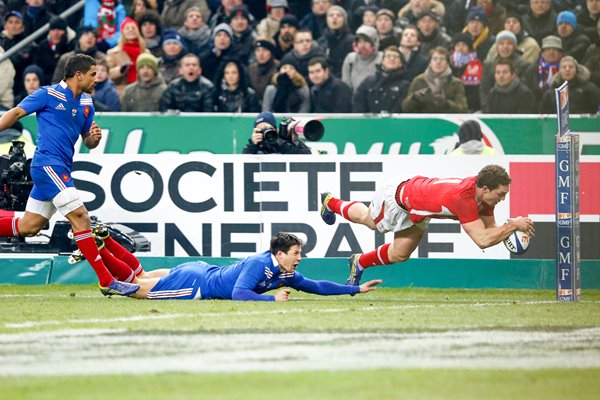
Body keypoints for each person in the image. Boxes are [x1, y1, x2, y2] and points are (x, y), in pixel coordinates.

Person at [0, 54, 139, 296]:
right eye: (93, 75)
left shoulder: (87, 103)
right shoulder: (48, 94)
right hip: (47, 166)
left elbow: (87, 138)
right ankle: (107, 280)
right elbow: (15, 113)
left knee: (29, 226)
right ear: (79, 75)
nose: (97, 79)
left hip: (61, 168)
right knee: (81, 217)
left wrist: (92, 140)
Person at [319, 164, 535, 286]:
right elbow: (483, 240)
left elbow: (489, 231)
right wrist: (513, 226)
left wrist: (510, 229)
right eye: (501, 194)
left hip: (421, 205)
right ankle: (331, 202)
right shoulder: (463, 199)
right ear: (485, 189)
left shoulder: (483, 197)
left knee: (400, 254)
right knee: (368, 220)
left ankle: (359, 263)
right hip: (398, 198)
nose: (503, 199)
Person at [128, 232, 381, 300]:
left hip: (201, 269)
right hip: (197, 283)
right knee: (133, 287)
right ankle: (105, 274)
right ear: (280, 254)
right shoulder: (260, 264)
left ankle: (104, 250)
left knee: (139, 276)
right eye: (296, 253)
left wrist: (355, 290)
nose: (299, 258)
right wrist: (273, 300)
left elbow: (315, 286)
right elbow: (239, 293)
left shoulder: (285, 271)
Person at [401, 46, 468, 113]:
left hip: (446, 121)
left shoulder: (456, 83)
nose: (438, 62)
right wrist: (414, 98)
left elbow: (463, 109)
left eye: (442, 59)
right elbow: (405, 108)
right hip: (424, 121)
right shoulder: (419, 80)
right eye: (435, 59)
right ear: (430, 63)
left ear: (447, 63)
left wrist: (447, 104)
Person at [353, 46, 410, 113]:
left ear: (401, 63)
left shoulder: (405, 86)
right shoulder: (368, 82)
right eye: (388, 56)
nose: (392, 59)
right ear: (382, 61)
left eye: (396, 57)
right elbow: (358, 103)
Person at [106, 17, 148, 96]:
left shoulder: (146, 52)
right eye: (127, 28)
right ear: (122, 32)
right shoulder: (112, 53)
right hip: (122, 92)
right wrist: (120, 69)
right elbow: (107, 73)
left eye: (133, 28)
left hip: (143, 91)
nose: (130, 30)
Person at [242, 111, 312, 154]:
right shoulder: (255, 145)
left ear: (276, 129)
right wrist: (253, 145)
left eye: (267, 128)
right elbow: (242, 163)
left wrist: (282, 144)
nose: (265, 132)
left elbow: (307, 155)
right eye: (260, 130)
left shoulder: (286, 140)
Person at [341, 24, 382, 93]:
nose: (362, 45)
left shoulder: (382, 58)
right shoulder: (350, 59)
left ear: (374, 42)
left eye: (366, 41)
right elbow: (346, 83)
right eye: (359, 41)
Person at [316, 5, 354, 78]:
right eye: (331, 15)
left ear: (344, 20)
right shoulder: (321, 41)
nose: (334, 17)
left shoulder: (351, 40)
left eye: (339, 15)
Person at [248, 37, 280, 101]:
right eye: (258, 50)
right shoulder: (251, 69)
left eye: (265, 50)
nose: (261, 54)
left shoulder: (279, 68)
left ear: (271, 52)